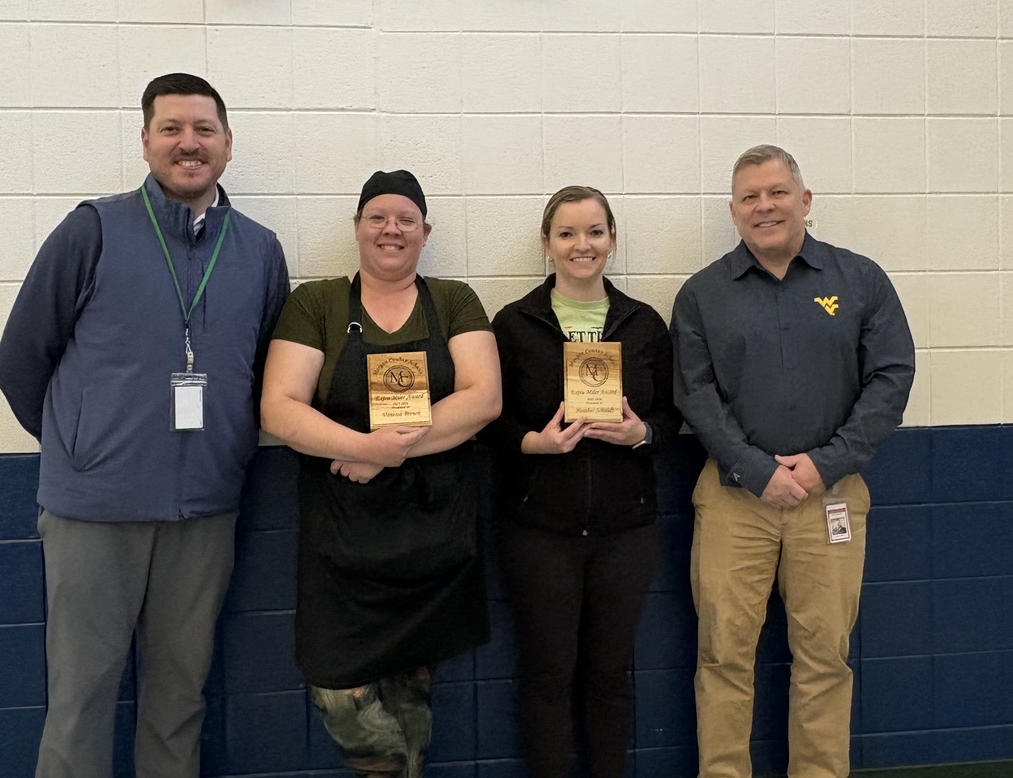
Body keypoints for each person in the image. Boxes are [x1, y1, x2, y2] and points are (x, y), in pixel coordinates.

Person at [0, 73, 290, 776]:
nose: (187, 143)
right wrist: (83, 449)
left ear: (227, 143)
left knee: (179, 699)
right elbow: (22, 355)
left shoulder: (258, 249)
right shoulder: (91, 229)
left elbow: (266, 370)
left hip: (205, 512)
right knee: (80, 700)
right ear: (145, 140)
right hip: (93, 513)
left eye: (203, 130)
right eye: (171, 129)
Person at [671, 145, 915, 778]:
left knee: (825, 658)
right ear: (734, 211)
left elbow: (891, 379)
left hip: (829, 497)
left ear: (805, 201)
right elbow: (694, 396)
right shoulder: (702, 295)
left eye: (777, 192)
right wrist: (758, 471)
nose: (764, 206)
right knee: (724, 657)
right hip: (733, 500)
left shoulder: (859, 280)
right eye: (750, 197)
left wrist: (822, 465)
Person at [260, 169, 501, 778]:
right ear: (359, 227)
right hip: (341, 544)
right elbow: (281, 407)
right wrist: (365, 445)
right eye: (378, 217)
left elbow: (483, 399)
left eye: (406, 219)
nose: (392, 228)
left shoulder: (453, 300)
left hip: (431, 541)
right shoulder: (315, 302)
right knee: (341, 698)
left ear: (425, 232)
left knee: (411, 693)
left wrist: (385, 452)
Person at [485, 186, 682, 778]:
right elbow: (488, 423)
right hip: (539, 530)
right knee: (548, 674)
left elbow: (676, 416)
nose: (582, 245)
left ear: (613, 241)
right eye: (567, 233)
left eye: (595, 232)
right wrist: (533, 443)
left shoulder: (643, 324)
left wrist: (642, 433)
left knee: (610, 675)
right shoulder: (514, 324)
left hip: (626, 531)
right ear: (547, 245)